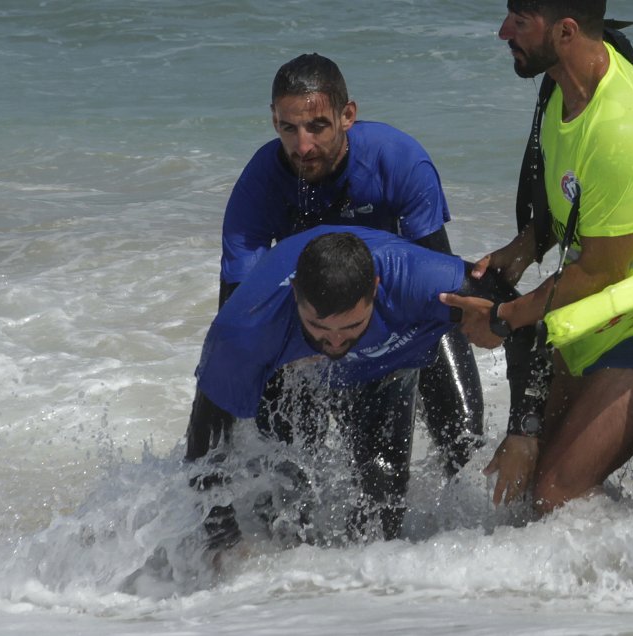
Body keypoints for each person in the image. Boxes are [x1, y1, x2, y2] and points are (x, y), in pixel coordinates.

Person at [441, 0, 633, 514]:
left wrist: (503, 318)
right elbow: (579, 201)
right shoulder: (563, 84)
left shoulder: (620, 133)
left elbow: (602, 270)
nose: (502, 32)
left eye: (519, 21)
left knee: (552, 494)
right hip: (596, 312)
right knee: (522, 480)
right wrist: (527, 247)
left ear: (565, 31)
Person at [203, 53, 483, 476]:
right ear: (273, 120)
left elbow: (442, 279)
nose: (303, 146)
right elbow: (237, 319)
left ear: (347, 115)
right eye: (288, 128)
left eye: (317, 126)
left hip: (396, 310)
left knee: (463, 440)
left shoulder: (398, 161)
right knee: (291, 470)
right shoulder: (259, 185)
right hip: (309, 318)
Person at [186, 227, 545, 548]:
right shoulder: (245, 332)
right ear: (295, 292)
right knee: (283, 499)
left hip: (397, 354)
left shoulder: (424, 281)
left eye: (351, 325)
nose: (336, 343)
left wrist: (523, 431)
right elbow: (204, 445)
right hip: (295, 371)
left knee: (392, 490)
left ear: (375, 286)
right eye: (319, 329)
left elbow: (530, 326)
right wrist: (223, 542)